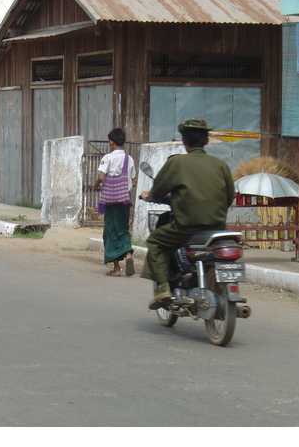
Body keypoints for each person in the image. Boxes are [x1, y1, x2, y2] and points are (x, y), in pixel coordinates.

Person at [139, 118, 235, 309]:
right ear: (207, 141)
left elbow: (158, 191)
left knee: (156, 242)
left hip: (186, 227)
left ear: (184, 141)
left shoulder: (177, 163)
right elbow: (229, 196)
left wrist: (149, 196)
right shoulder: (221, 165)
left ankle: (163, 289)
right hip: (217, 228)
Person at [94, 128, 138, 277]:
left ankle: (117, 269)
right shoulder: (129, 159)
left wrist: (96, 186)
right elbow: (133, 181)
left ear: (111, 142)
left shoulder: (108, 157)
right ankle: (128, 255)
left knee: (110, 232)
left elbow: (101, 177)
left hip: (109, 202)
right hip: (124, 200)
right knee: (123, 229)